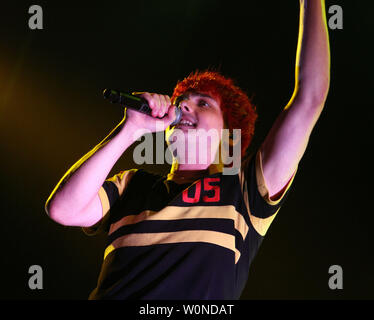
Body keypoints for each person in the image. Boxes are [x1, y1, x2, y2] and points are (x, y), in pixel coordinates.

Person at [45, 0, 330, 299]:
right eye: (181, 101)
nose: (184, 107)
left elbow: (309, 98)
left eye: (202, 103)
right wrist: (130, 130)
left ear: (228, 135)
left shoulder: (243, 193)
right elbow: (63, 209)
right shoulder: (132, 185)